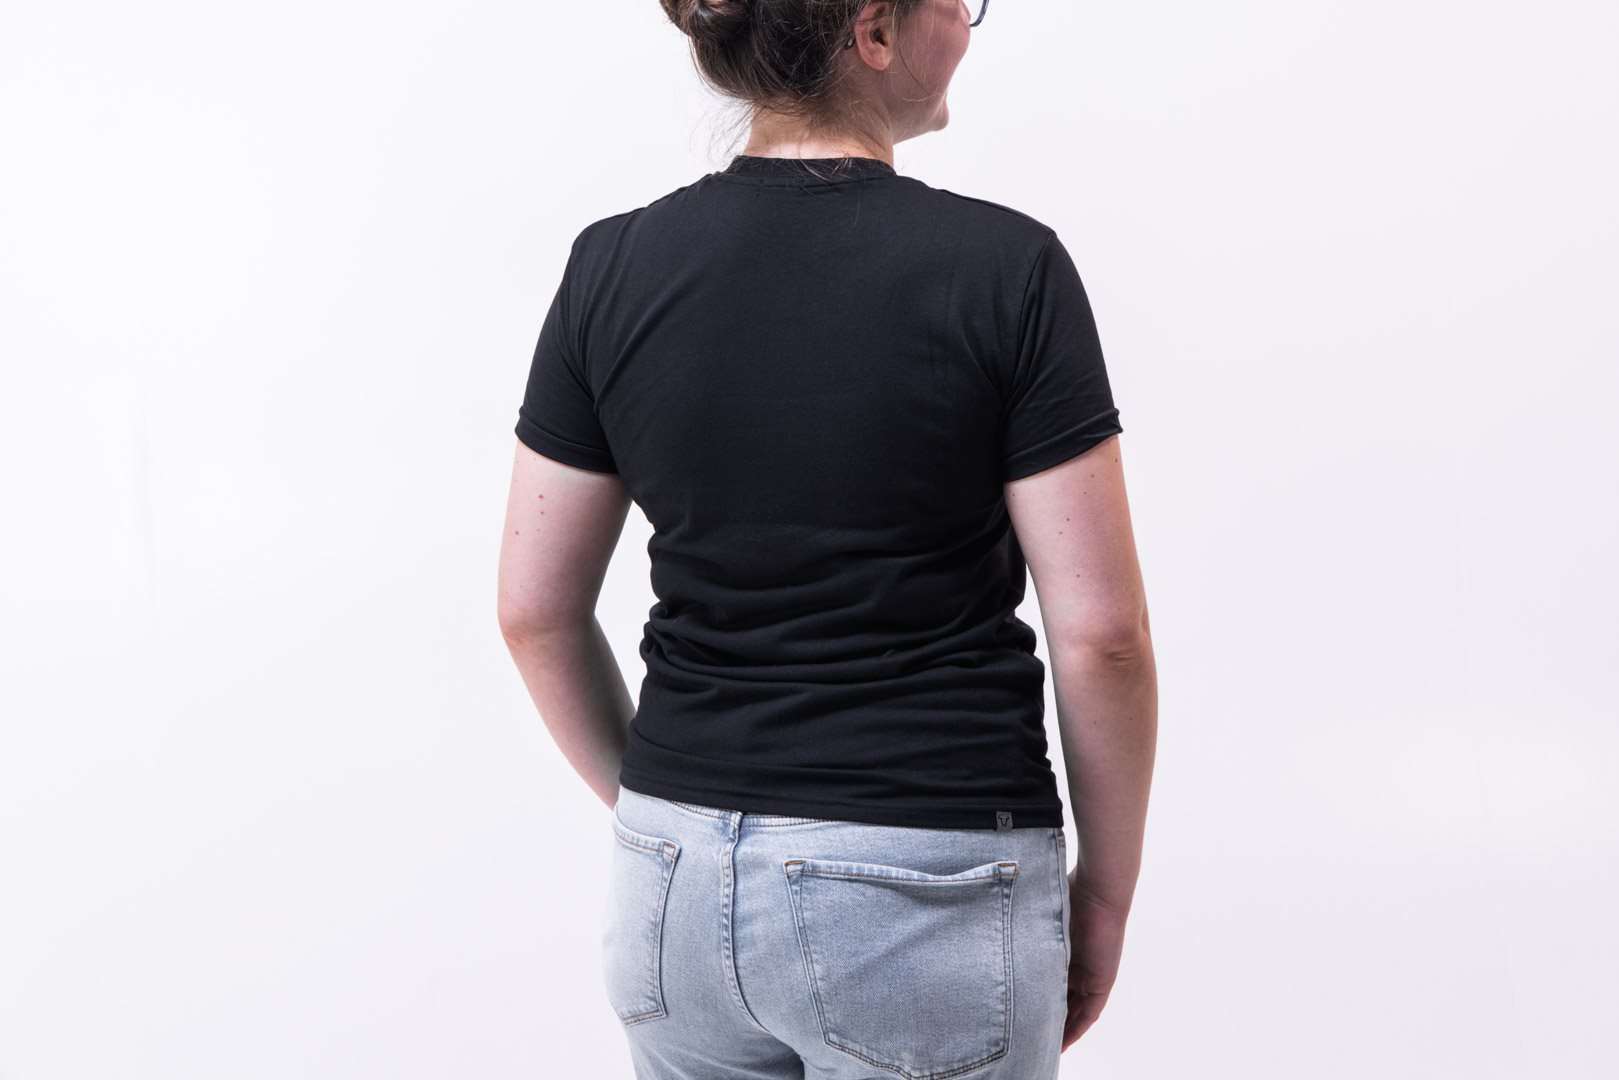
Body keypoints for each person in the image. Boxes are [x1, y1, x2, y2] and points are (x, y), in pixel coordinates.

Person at [496, 0, 1157, 1075]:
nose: (969, 23)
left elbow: (532, 612)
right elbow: (1103, 638)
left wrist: (668, 819)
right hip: (921, 879)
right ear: (874, 31)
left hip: (671, 883)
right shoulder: (1007, 268)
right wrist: (1107, 898)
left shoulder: (610, 264)